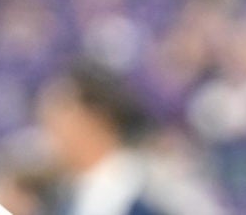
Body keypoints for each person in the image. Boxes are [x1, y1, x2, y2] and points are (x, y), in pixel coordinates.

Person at [36, 63, 168, 215]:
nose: (49, 126)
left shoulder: (145, 195)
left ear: (94, 119)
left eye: (60, 111)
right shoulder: (70, 195)